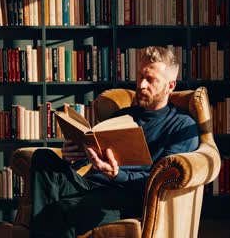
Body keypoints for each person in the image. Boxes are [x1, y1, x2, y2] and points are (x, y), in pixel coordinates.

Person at [29, 46, 199, 238]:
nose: (141, 85)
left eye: (151, 80)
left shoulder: (183, 126)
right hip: (91, 184)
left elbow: (161, 182)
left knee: (59, 211)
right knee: (43, 157)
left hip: (127, 197)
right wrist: (74, 156)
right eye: (140, 77)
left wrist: (117, 174)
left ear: (170, 86)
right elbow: (95, 159)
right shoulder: (122, 116)